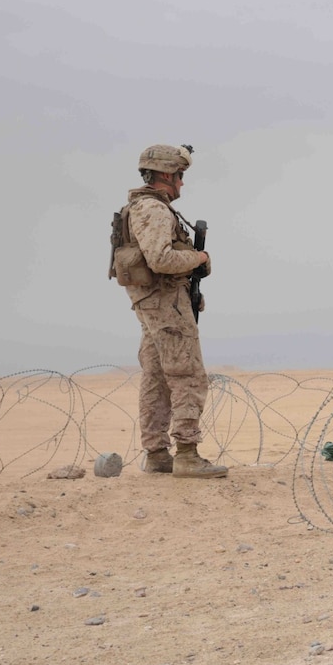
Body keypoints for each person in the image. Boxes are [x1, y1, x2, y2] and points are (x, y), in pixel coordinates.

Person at [118, 143, 228, 478]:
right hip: (166, 305)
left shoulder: (142, 207)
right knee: (187, 376)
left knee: (156, 379)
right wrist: (199, 258)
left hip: (154, 304)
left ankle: (157, 454)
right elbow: (161, 259)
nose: (181, 183)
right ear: (166, 173)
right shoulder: (153, 209)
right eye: (179, 176)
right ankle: (187, 454)